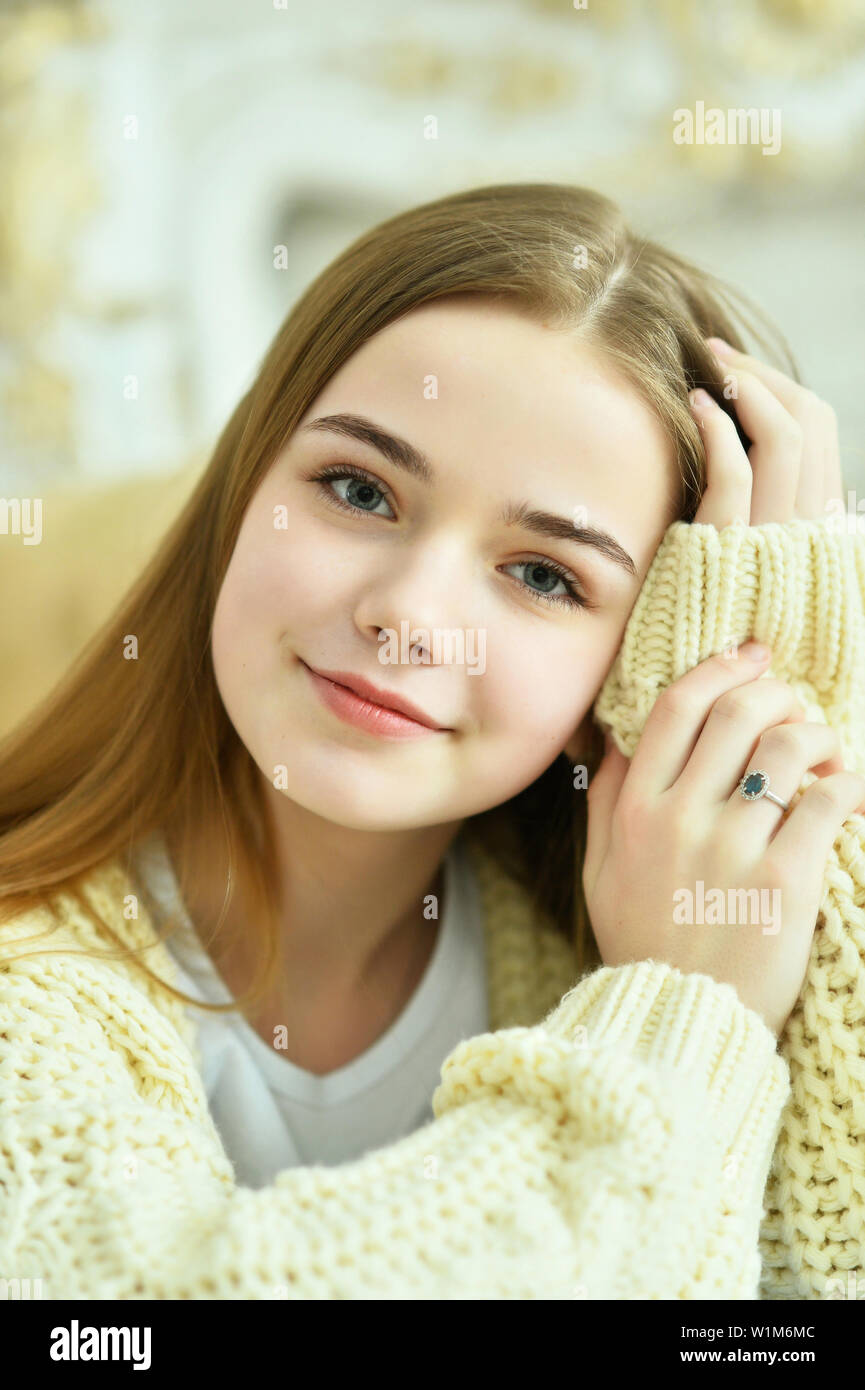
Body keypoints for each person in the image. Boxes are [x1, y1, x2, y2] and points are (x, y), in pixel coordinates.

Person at [1, 183, 863, 1300]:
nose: (407, 614)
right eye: (357, 488)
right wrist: (682, 1010)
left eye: (544, 574)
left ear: (640, 651)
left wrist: (775, 682)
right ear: (242, 484)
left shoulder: (582, 936)